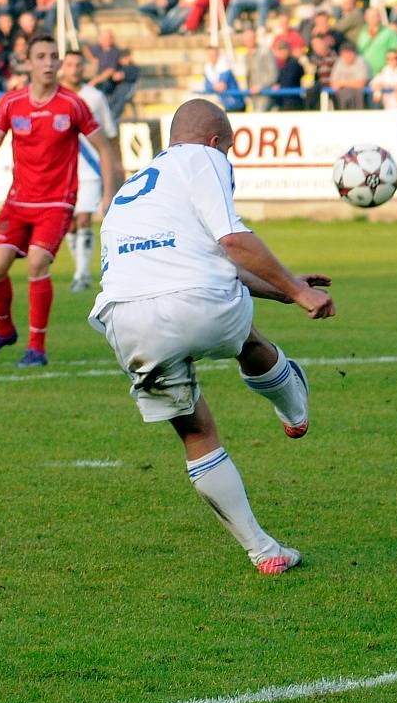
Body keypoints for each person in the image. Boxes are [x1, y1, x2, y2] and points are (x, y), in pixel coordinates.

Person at [88, 98, 335, 575]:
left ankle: (264, 552)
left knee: (196, 430)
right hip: (200, 305)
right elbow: (234, 243)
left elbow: (197, 263)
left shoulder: (131, 191)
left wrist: (287, 289)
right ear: (215, 140)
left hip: (126, 320)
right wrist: (298, 293)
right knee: (245, 339)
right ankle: (294, 410)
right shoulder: (205, 159)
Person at [0, 34, 116, 367]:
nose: (49, 63)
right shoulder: (11, 102)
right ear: (29, 62)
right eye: (41, 56)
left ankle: (37, 348)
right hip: (18, 201)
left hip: (57, 202)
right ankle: (4, 332)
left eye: (53, 57)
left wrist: (108, 194)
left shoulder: (72, 104)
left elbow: (105, 149)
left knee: (37, 263)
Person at [60, 51, 124, 291]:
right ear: (62, 67)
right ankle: (81, 267)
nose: (74, 69)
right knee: (69, 224)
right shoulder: (55, 96)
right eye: (69, 65)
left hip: (90, 169)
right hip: (63, 169)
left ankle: (82, 274)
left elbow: (110, 133)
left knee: (84, 218)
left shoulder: (95, 97)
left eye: (78, 65)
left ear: (84, 67)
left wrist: (117, 165)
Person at [241, 27, 277, 111]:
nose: (247, 41)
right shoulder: (246, 56)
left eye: (250, 38)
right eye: (245, 39)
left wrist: (261, 87)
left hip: (265, 94)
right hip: (253, 95)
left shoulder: (265, 52)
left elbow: (273, 74)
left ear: (255, 38)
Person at [203, 46, 245, 111]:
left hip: (235, 103)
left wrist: (213, 87)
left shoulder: (225, 65)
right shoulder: (208, 68)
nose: (212, 57)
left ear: (218, 54)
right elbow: (207, 86)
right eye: (210, 55)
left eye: (213, 54)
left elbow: (222, 86)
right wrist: (215, 86)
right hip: (224, 104)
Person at [330, 41, 369, 109]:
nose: (347, 56)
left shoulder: (361, 62)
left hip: (358, 94)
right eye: (345, 53)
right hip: (342, 94)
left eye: (349, 53)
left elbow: (361, 83)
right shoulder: (339, 62)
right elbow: (333, 84)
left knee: (352, 92)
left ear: (355, 53)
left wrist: (342, 83)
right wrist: (352, 83)